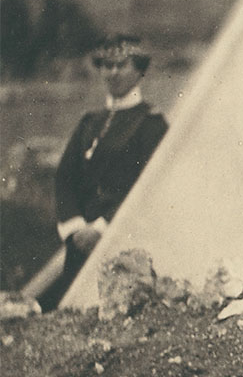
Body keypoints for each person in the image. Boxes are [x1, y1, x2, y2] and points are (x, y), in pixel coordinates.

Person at [42, 34, 168, 310]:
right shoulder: (89, 122)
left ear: (139, 70)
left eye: (121, 65)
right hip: (79, 243)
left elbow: (148, 187)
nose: (112, 73)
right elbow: (65, 177)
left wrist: (101, 228)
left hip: (121, 238)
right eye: (105, 65)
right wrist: (75, 227)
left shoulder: (151, 125)